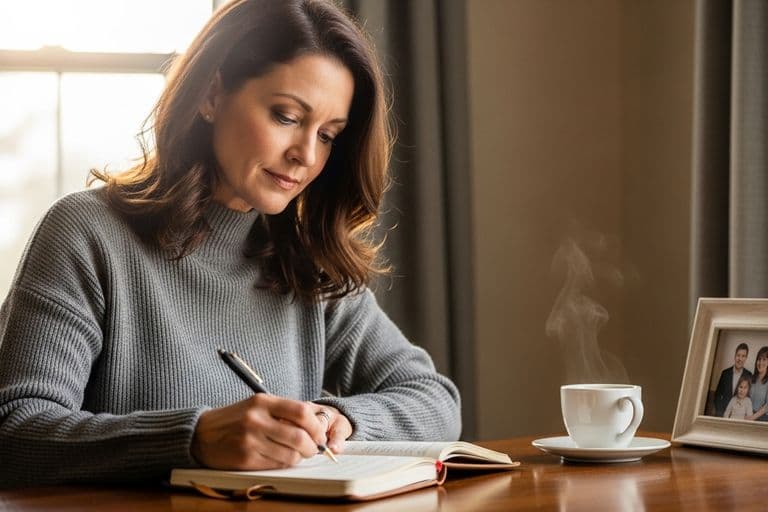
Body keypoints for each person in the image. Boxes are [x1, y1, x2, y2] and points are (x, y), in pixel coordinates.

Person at [0, 0, 461, 487]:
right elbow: (13, 431)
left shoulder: (305, 260)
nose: (305, 154)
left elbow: (435, 399)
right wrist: (193, 439)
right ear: (212, 95)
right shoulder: (87, 234)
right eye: (286, 116)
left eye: (327, 135)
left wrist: (339, 420)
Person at [713, 342, 752, 417]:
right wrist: (720, 413)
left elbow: (748, 396)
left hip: (739, 415)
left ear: (746, 358)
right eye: (738, 355)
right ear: (735, 356)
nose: (740, 359)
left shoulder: (749, 375)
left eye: (743, 356)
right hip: (723, 413)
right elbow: (717, 395)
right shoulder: (725, 373)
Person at [747, 346, 768, 421]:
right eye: (759, 359)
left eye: (764, 359)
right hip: (748, 414)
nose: (761, 362)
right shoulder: (750, 378)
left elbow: (766, 407)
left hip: (762, 418)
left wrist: (751, 418)